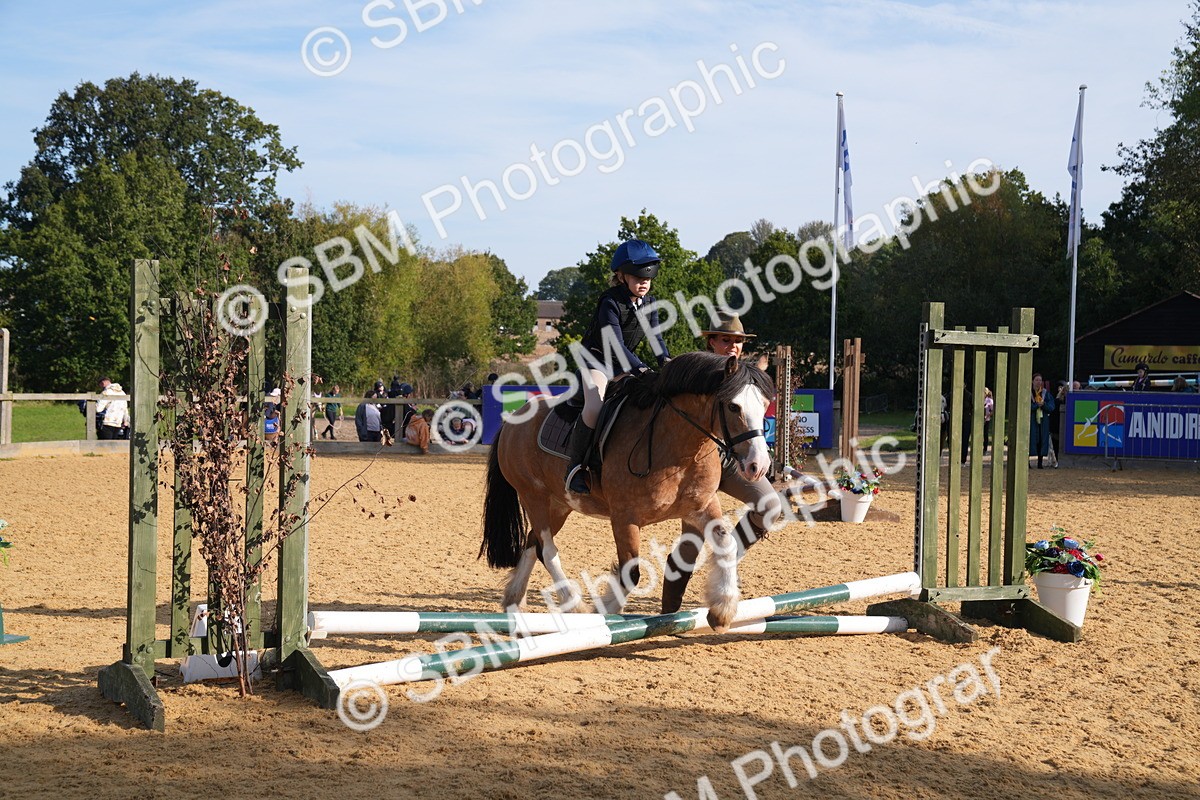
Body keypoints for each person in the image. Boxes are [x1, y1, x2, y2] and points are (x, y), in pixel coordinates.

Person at [660, 312, 780, 612]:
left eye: (738, 341)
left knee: (770, 505)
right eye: (726, 340)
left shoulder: (746, 376)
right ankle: (668, 611)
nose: (733, 346)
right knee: (691, 542)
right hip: (699, 466)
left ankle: (727, 560)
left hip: (733, 460)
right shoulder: (695, 375)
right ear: (711, 341)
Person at [565, 238, 670, 494]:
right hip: (595, 363)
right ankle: (576, 468)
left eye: (647, 277)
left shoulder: (649, 304)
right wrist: (641, 369)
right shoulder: (610, 302)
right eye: (637, 276)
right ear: (621, 276)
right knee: (594, 407)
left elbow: (656, 339)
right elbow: (614, 344)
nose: (643, 281)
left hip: (624, 367)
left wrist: (666, 362)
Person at [1029, 373, 1055, 469]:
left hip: (1043, 420)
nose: (1038, 382)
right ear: (1032, 381)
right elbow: (1024, 407)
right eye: (1036, 380)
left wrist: (1043, 405)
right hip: (1031, 420)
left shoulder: (1045, 393)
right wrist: (1036, 405)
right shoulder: (1028, 393)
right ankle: (1027, 462)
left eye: (1040, 380)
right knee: (1030, 439)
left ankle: (1040, 462)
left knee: (1042, 439)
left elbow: (1052, 407)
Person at [982, 387, 995, 454]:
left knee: (985, 434)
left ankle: (985, 449)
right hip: (980, 419)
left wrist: (987, 416)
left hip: (986, 419)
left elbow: (992, 411)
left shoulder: (989, 400)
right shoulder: (980, 399)